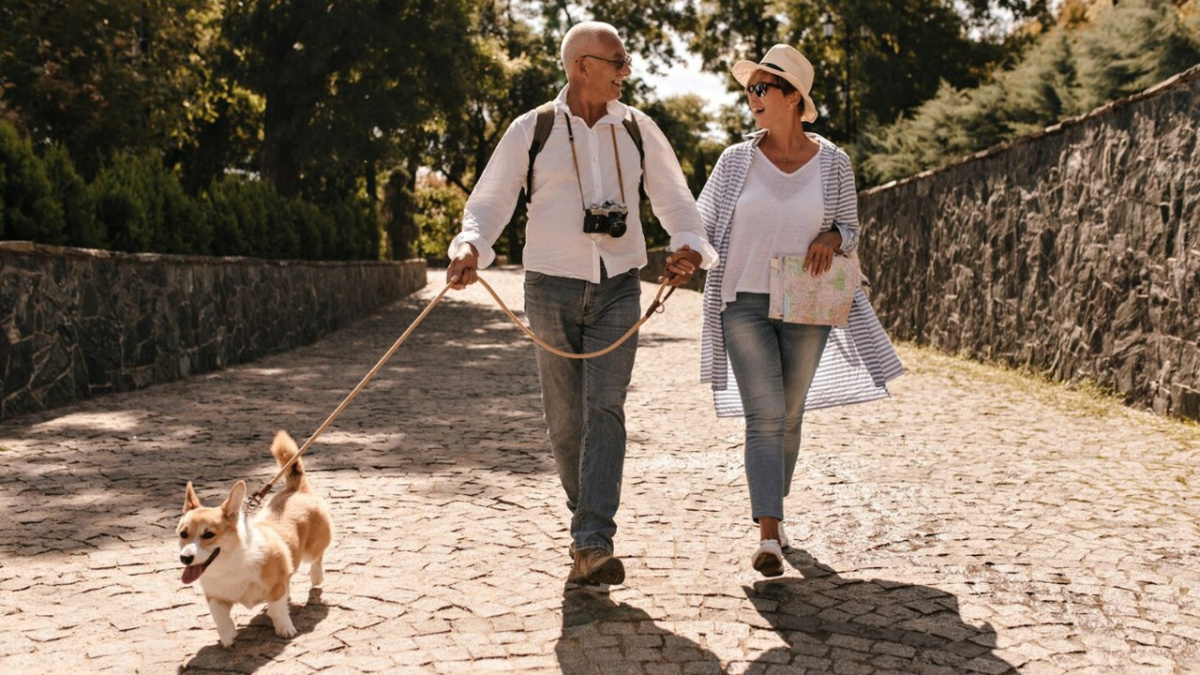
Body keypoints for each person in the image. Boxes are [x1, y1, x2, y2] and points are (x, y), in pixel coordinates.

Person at [446, 21, 718, 587]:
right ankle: (585, 529)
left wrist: (688, 247)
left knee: (605, 409)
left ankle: (594, 540)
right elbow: (492, 198)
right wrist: (471, 245)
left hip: (620, 283)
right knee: (566, 421)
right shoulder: (535, 128)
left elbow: (674, 198)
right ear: (582, 66)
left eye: (625, 61)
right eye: (617, 61)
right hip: (550, 286)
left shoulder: (639, 129)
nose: (626, 70)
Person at [696, 44, 902, 577]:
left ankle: (774, 508)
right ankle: (768, 535)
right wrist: (681, 255)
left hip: (807, 300)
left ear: (794, 97)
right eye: (750, 89)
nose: (752, 97)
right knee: (764, 416)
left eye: (762, 88)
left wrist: (834, 235)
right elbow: (701, 219)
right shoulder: (735, 159)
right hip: (742, 299)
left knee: (788, 416)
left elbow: (853, 231)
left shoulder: (834, 162)